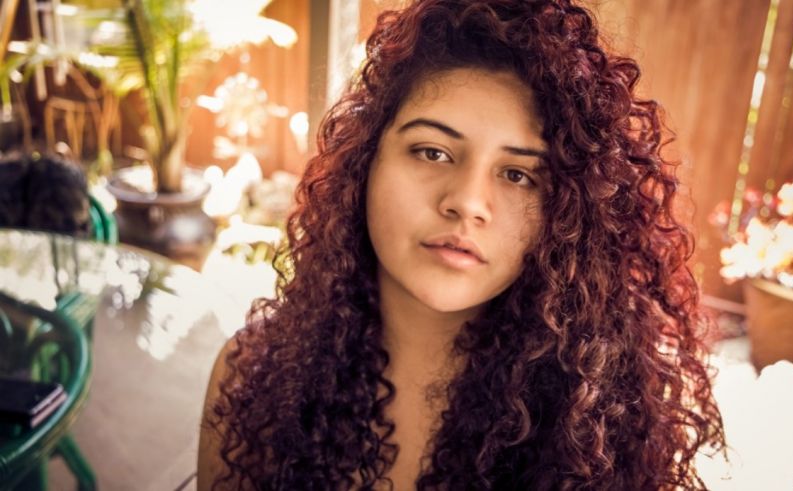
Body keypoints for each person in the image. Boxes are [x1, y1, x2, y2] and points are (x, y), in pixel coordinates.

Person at [198, 0, 726, 489]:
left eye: (519, 175)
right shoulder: (249, 377)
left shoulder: (603, 431)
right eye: (432, 152)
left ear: (566, 213)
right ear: (364, 162)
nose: (468, 202)